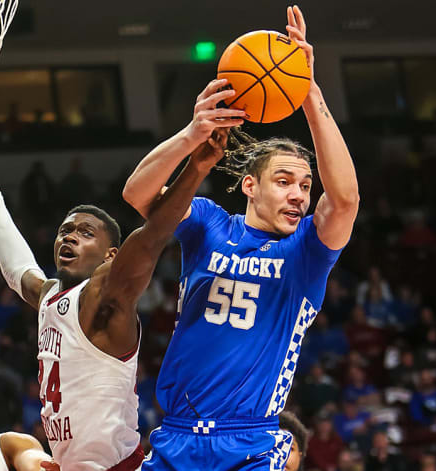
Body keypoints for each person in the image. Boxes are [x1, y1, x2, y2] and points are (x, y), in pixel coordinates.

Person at [123, 6, 359, 469]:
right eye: (285, 181)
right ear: (250, 185)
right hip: (175, 436)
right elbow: (137, 193)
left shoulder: (308, 249)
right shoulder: (209, 223)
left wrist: (306, 90)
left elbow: (346, 200)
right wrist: (193, 134)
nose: (298, 195)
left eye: (306, 186)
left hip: (249, 442)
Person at [0, 142, 225, 471]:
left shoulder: (106, 296)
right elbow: (18, 272)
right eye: (65, 231)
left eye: (85, 233)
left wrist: (195, 168)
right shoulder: (50, 297)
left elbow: (153, 236)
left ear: (111, 256)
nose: (70, 237)